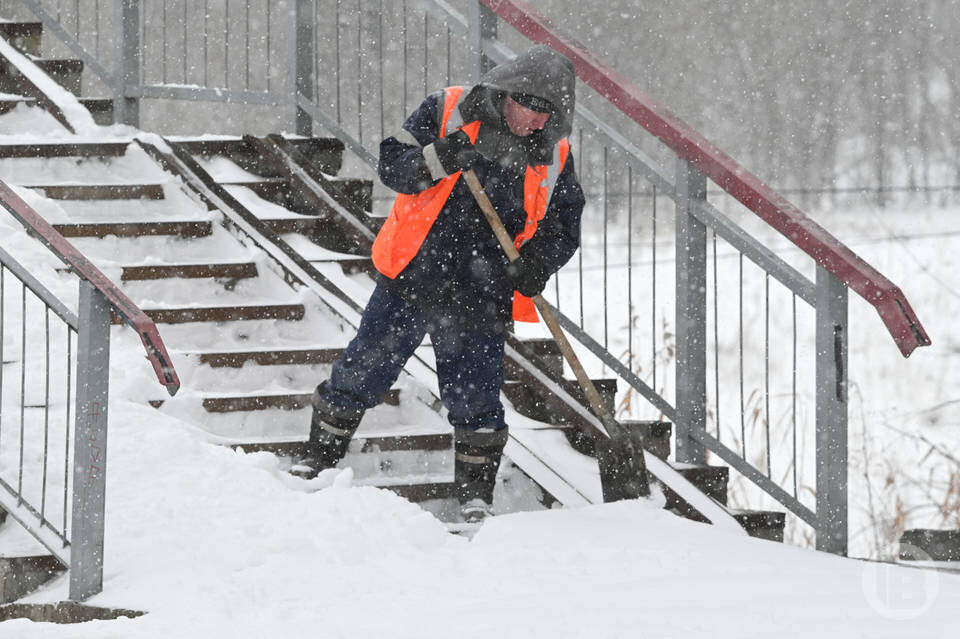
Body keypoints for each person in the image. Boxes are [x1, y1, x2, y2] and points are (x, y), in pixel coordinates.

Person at [299, 45, 585, 523]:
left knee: (476, 397)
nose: (540, 125)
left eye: (550, 116)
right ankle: (318, 459)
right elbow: (393, 165)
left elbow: (564, 224)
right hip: (415, 273)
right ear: (512, 95)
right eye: (535, 112)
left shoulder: (553, 153)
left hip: (484, 291)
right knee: (364, 369)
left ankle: (476, 498)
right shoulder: (447, 109)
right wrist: (441, 156)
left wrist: (534, 265)